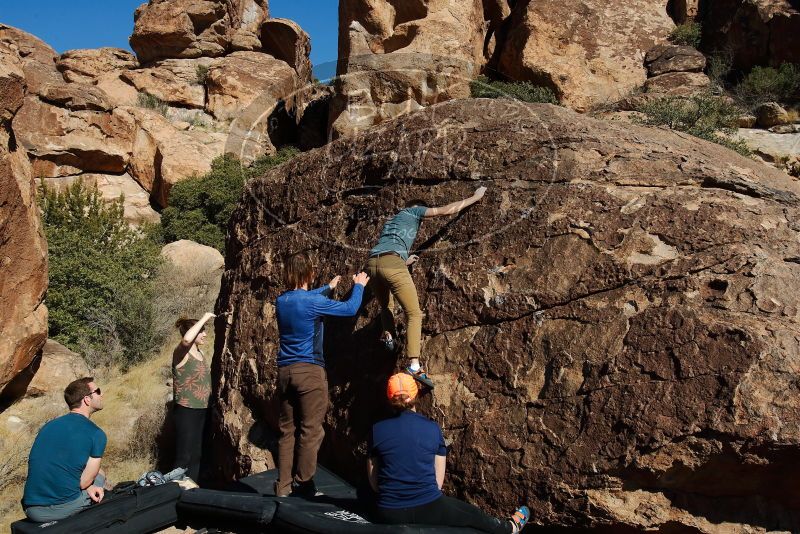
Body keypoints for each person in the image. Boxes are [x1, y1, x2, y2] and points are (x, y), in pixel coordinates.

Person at [367, 373, 529, 533]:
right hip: (429, 507)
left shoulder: (377, 430)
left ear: (390, 399)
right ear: (416, 395)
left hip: (388, 512)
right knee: (473, 514)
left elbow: (375, 485)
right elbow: (438, 484)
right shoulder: (432, 428)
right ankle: (510, 528)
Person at [367, 187, 488, 388]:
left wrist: (403, 260)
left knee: (385, 306)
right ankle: (414, 365)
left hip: (373, 262)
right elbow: (445, 210)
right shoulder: (413, 211)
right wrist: (475, 197)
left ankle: (388, 334)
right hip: (392, 263)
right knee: (414, 313)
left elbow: (390, 244)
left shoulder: (391, 221)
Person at [275, 251, 370, 497]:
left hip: (284, 372)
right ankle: (304, 485)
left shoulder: (281, 301)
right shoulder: (312, 302)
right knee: (311, 430)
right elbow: (349, 309)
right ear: (309, 273)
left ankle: (282, 488)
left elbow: (302, 297)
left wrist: (326, 288)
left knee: (287, 432)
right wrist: (359, 286)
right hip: (309, 371)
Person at [22, 377, 110, 522]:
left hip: (30, 508)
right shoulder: (96, 434)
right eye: (98, 391)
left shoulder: (48, 426)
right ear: (87, 399)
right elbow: (84, 483)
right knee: (99, 474)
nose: (102, 394)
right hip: (59, 508)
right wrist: (92, 486)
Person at [173, 312, 216, 482]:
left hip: (202, 409)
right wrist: (205, 318)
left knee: (197, 455)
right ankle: (174, 492)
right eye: (202, 331)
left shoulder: (200, 353)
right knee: (184, 456)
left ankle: (191, 489)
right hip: (186, 410)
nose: (205, 334)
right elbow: (185, 340)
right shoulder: (180, 354)